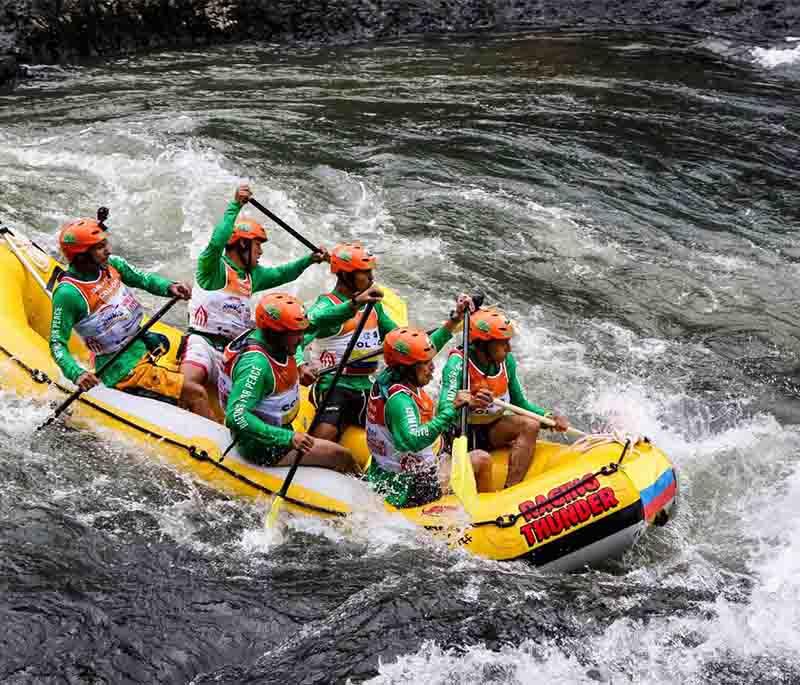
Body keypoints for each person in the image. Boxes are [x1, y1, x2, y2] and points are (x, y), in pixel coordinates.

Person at [49, 216, 209, 415]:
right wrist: (77, 373)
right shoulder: (68, 294)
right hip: (121, 369)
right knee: (197, 393)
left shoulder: (112, 265)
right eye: (99, 247)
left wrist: (170, 287)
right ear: (81, 256)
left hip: (140, 346)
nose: (107, 250)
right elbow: (56, 343)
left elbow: (145, 280)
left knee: (165, 344)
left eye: (105, 243)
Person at [182, 184, 328, 401]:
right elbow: (216, 243)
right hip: (202, 341)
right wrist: (235, 205)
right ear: (242, 244)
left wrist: (310, 260)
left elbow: (282, 274)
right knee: (187, 385)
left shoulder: (253, 275)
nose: (260, 252)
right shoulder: (212, 268)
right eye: (257, 246)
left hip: (233, 349)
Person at [220, 292, 364, 472]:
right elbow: (236, 416)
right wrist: (288, 438)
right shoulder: (256, 365)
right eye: (296, 334)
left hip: (275, 427)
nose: (302, 339)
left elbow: (320, 321)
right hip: (260, 445)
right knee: (342, 456)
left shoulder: (274, 337)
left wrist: (356, 303)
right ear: (276, 332)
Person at [365, 310, 493, 508]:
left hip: (388, 472)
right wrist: (452, 409)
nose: (432, 367)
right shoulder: (401, 401)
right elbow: (412, 441)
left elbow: (424, 349)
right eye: (425, 364)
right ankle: (488, 513)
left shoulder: (387, 378)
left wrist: (454, 320)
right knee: (482, 459)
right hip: (411, 487)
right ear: (407, 367)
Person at [438, 308, 569, 488]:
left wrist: (548, 417)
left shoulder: (507, 362)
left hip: (491, 429)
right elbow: (442, 410)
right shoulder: (457, 364)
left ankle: (511, 489)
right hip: (460, 435)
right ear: (483, 345)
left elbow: (519, 403)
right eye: (503, 343)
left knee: (531, 424)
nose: (509, 348)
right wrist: (468, 403)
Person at [296, 242, 412, 442]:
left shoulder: (375, 308)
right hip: (333, 384)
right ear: (346, 275)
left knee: (400, 429)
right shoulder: (326, 305)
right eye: (364, 273)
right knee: (327, 433)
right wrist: (300, 365)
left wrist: (451, 323)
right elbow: (297, 336)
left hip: (367, 385)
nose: (371, 278)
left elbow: (398, 337)